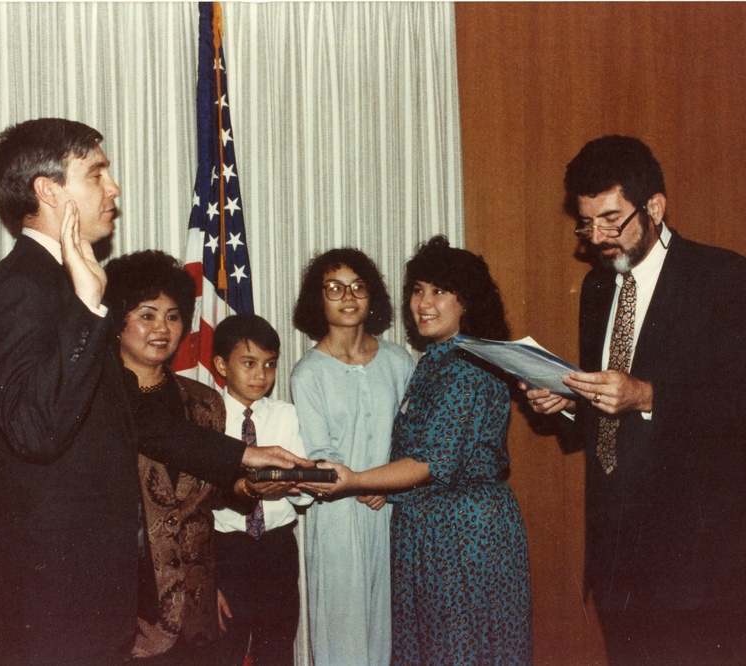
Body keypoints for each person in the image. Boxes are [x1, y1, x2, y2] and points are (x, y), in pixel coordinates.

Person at [0, 118, 308, 665]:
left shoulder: (68, 284)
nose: (114, 187)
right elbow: (36, 429)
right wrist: (86, 305)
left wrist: (244, 453)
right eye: (97, 172)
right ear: (49, 189)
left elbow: (136, 422)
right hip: (50, 595)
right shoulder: (19, 288)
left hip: (91, 592)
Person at [524, 135, 746, 665]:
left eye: (611, 220)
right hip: (619, 555)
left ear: (655, 208)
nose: (597, 237)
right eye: (587, 222)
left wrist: (647, 394)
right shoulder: (598, 289)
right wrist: (567, 402)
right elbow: (606, 417)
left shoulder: (724, 277)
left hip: (700, 557)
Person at [302, 236, 533, 666]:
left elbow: (431, 462)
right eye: (418, 290)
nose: (423, 303)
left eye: (440, 292)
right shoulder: (434, 359)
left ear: (467, 302)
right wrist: (389, 487)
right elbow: (414, 448)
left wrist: (358, 480)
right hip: (428, 532)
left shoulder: (468, 366)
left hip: (465, 534)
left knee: (462, 649)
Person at [289, 248, 415, 666]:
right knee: (342, 635)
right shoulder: (309, 372)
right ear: (317, 298)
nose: (348, 296)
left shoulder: (399, 361)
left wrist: (386, 486)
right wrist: (360, 481)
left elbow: (413, 439)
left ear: (372, 295)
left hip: (393, 511)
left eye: (358, 286)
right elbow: (320, 455)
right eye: (334, 287)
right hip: (338, 517)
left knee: (393, 629)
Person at [102, 250, 226, 661]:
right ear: (117, 322)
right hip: (127, 617)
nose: (162, 328)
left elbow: (207, 507)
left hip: (198, 614)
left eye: (173, 316)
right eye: (147, 314)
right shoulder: (95, 404)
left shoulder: (206, 404)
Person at [208, 313, 313, 666]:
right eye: (249, 363)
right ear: (222, 365)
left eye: (269, 365)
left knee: (277, 647)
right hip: (226, 548)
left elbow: (306, 491)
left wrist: (292, 485)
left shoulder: (287, 416)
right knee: (224, 647)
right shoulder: (207, 417)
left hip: (276, 547)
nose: (260, 375)